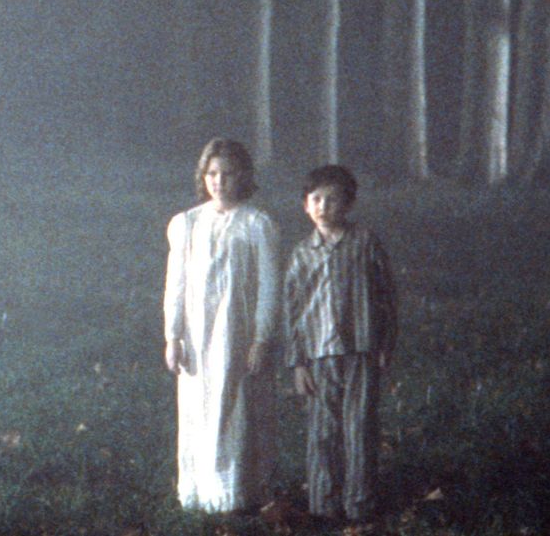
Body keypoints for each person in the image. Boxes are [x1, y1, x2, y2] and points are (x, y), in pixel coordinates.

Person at [162, 137, 281, 513]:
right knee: (198, 405)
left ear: (242, 176)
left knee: (234, 406)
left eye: (228, 174)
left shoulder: (256, 224)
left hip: (235, 332)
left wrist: (261, 338)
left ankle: (234, 491)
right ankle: (199, 489)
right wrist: (173, 335)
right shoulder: (187, 223)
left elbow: (268, 286)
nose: (219, 181)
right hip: (197, 334)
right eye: (212, 173)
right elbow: (176, 284)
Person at [283, 164, 397, 524]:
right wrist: (298, 362)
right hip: (319, 354)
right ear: (305, 205)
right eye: (316, 199)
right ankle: (324, 505)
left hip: (361, 348)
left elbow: (386, 294)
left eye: (332, 199)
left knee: (359, 427)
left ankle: (360, 504)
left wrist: (386, 342)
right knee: (323, 431)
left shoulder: (364, 242)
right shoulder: (302, 254)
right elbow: (293, 311)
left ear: (348, 204)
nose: (323, 206)